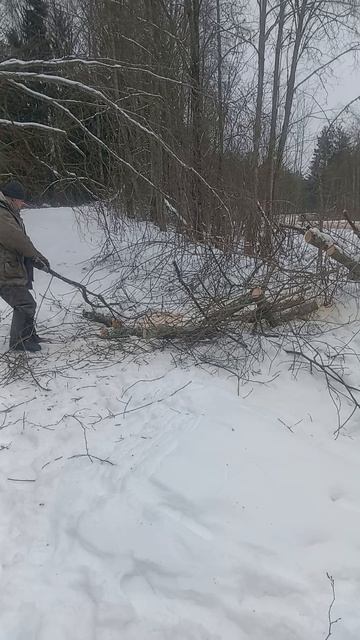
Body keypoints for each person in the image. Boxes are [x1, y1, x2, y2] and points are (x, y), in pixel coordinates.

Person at [0, 181, 50, 353]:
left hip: (8, 267)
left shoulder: (7, 212)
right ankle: (19, 342)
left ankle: (29, 336)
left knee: (27, 302)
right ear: (12, 199)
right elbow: (17, 240)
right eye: (21, 201)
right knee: (25, 304)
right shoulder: (2, 214)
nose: (23, 204)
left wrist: (36, 259)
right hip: (3, 271)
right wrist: (35, 256)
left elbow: (21, 240)